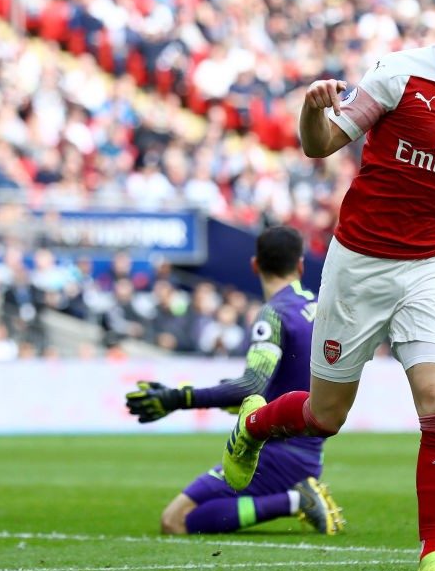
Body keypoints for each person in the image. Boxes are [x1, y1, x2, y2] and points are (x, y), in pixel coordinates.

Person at [221, 0, 435, 571]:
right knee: (326, 416)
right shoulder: (398, 74)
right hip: (357, 264)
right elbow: (321, 144)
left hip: (428, 268)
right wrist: (309, 111)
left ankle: (433, 557)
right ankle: (252, 426)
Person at [125, 226, 343, 536]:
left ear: (255, 265)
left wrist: (178, 399)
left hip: (276, 454)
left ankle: (295, 500)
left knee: (174, 521)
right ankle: (297, 496)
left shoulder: (275, 314)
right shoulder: (318, 308)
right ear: (301, 265)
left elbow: (251, 385)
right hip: (308, 449)